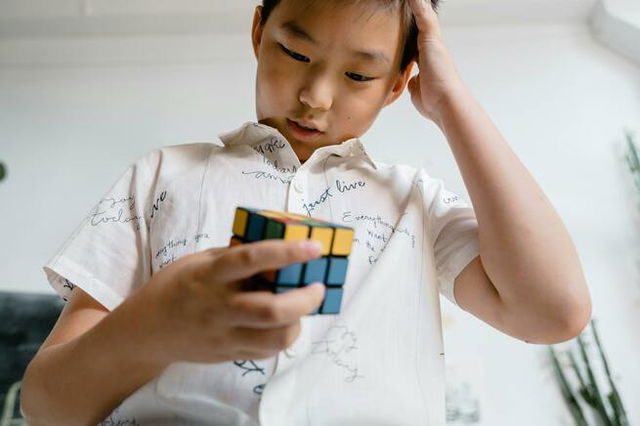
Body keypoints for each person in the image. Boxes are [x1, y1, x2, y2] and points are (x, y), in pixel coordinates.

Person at [20, 0, 592, 425]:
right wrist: (155, 326)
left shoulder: (414, 203)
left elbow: (553, 312)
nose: (316, 95)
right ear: (258, 31)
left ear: (398, 85)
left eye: (359, 75)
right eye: (295, 52)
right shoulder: (159, 177)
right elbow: (47, 406)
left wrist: (451, 103)